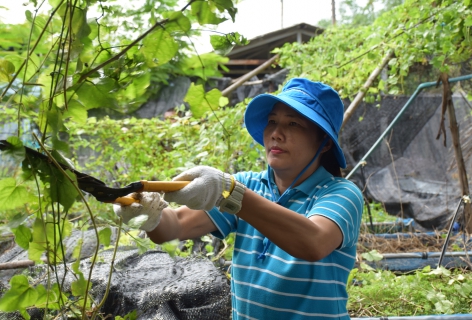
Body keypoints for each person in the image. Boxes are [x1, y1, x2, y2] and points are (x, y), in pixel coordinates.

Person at [114, 78, 364, 319]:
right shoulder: (249, 185)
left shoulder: (340, 193)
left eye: (294, 124)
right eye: (272, 121)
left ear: (325, 143)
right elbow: (176, 225)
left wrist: (231, 194)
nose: (276, 133)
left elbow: (314, 242)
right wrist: (150, 215)